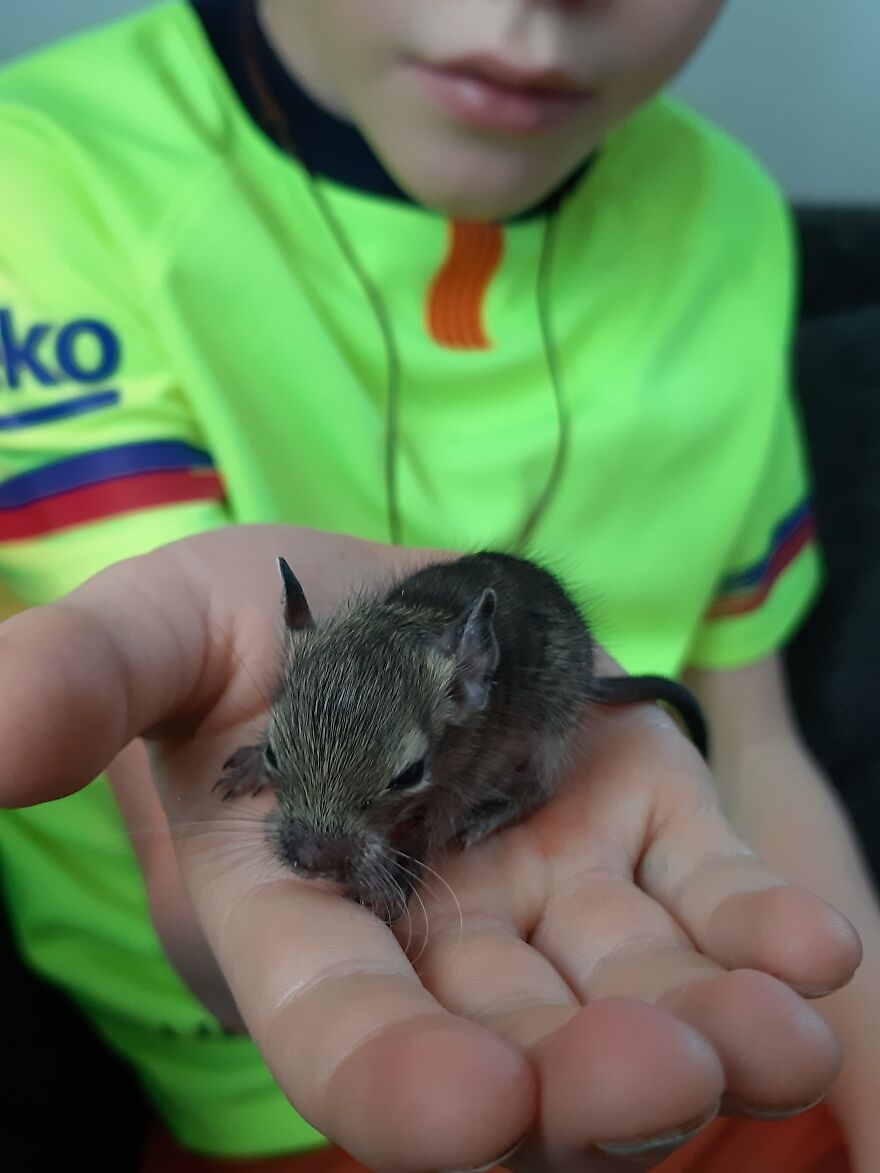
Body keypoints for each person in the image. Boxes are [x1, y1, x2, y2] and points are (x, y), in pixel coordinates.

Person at [0, 1, 877, 1171]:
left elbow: (754, 751)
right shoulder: (53, 179)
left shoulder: (727, 224)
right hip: (282, 1088)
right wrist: (260, 905)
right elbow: (201, 896)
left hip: (703, 1015)